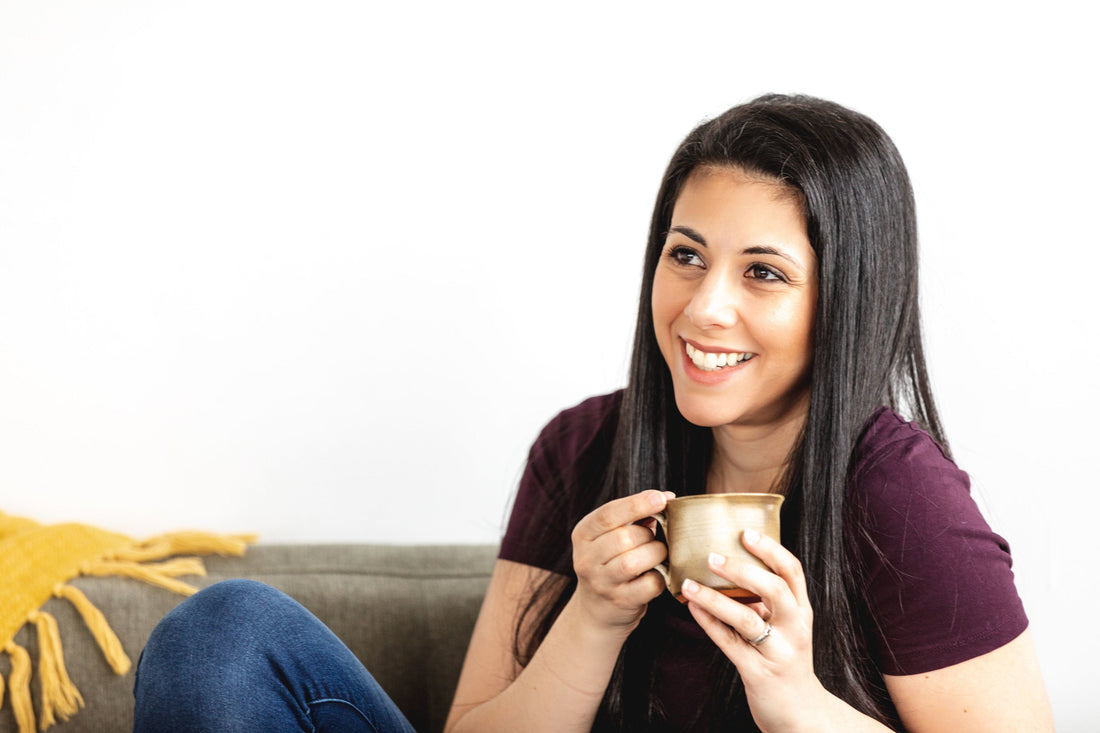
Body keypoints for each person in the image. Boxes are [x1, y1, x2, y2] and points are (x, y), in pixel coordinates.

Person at [133, 94, 1053, 732]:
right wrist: (593, 618)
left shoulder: (900, 498)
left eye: (763, 273)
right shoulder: (582, 450)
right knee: (224, 635)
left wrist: (794, 699)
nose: (702, 307)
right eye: (685, 255)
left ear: (844, 301)